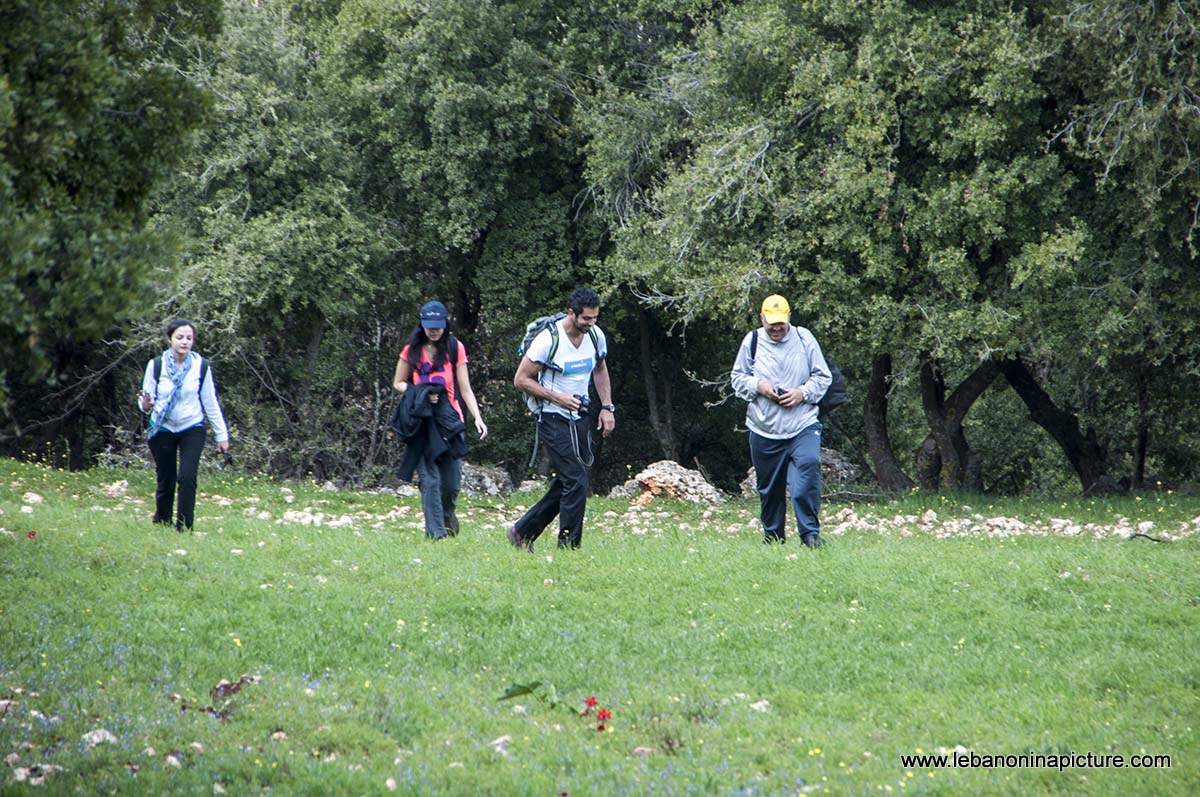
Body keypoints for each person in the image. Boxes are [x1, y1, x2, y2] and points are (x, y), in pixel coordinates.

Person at [508, 287, 615, 550]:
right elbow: (521, 380)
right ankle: (568, 547)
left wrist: (607, 407)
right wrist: (557, 397)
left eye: (595, 318)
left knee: (570, 480)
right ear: (571, 313)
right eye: (586, 319)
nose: (591, 324)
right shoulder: (548, 340)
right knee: (577, 481)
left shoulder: (595, 337)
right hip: (552, 417)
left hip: (579, 417)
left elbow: (600, 369)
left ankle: (522, 532)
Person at [731, 295, 832, 547]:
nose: (776, 328)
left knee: (806, 473)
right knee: (769, 489)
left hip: (803, 424)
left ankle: (810, 535)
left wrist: (801, 394)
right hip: (763, 427)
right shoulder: (752, 341)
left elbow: (823, 376)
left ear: (788, 318)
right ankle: (774, 537)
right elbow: (737, 379)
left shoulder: (804, 338)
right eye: (771, 323)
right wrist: (759, 386)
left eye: (781, 323)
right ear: (762, 318)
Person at [393, 300, 488, 540]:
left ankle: (447, 516)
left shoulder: (455, 348)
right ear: (422, 325)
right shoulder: (411, 350)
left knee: (452, 483)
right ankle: (436, 535)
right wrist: (420, 392)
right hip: (423, 421)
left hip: (449, 421)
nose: (433, 330)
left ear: (445, 324)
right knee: (430, 480)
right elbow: (398, 382)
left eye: (437, 326)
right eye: (429, 326)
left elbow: (465, 389)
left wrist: (477, 417)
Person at [139, 319, 231, 532]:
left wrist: (222, 435)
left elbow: (210, 401)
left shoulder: (201, 366)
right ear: (170, 339)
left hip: (192, 426)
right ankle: (162, 522)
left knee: (187, 477)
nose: (184, 342)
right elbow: (145, 401)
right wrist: (145, 404)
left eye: (189, 338)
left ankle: (185, 527)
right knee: (166, 477)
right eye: (180, 337)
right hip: (162, 427)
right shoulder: (156, 365)